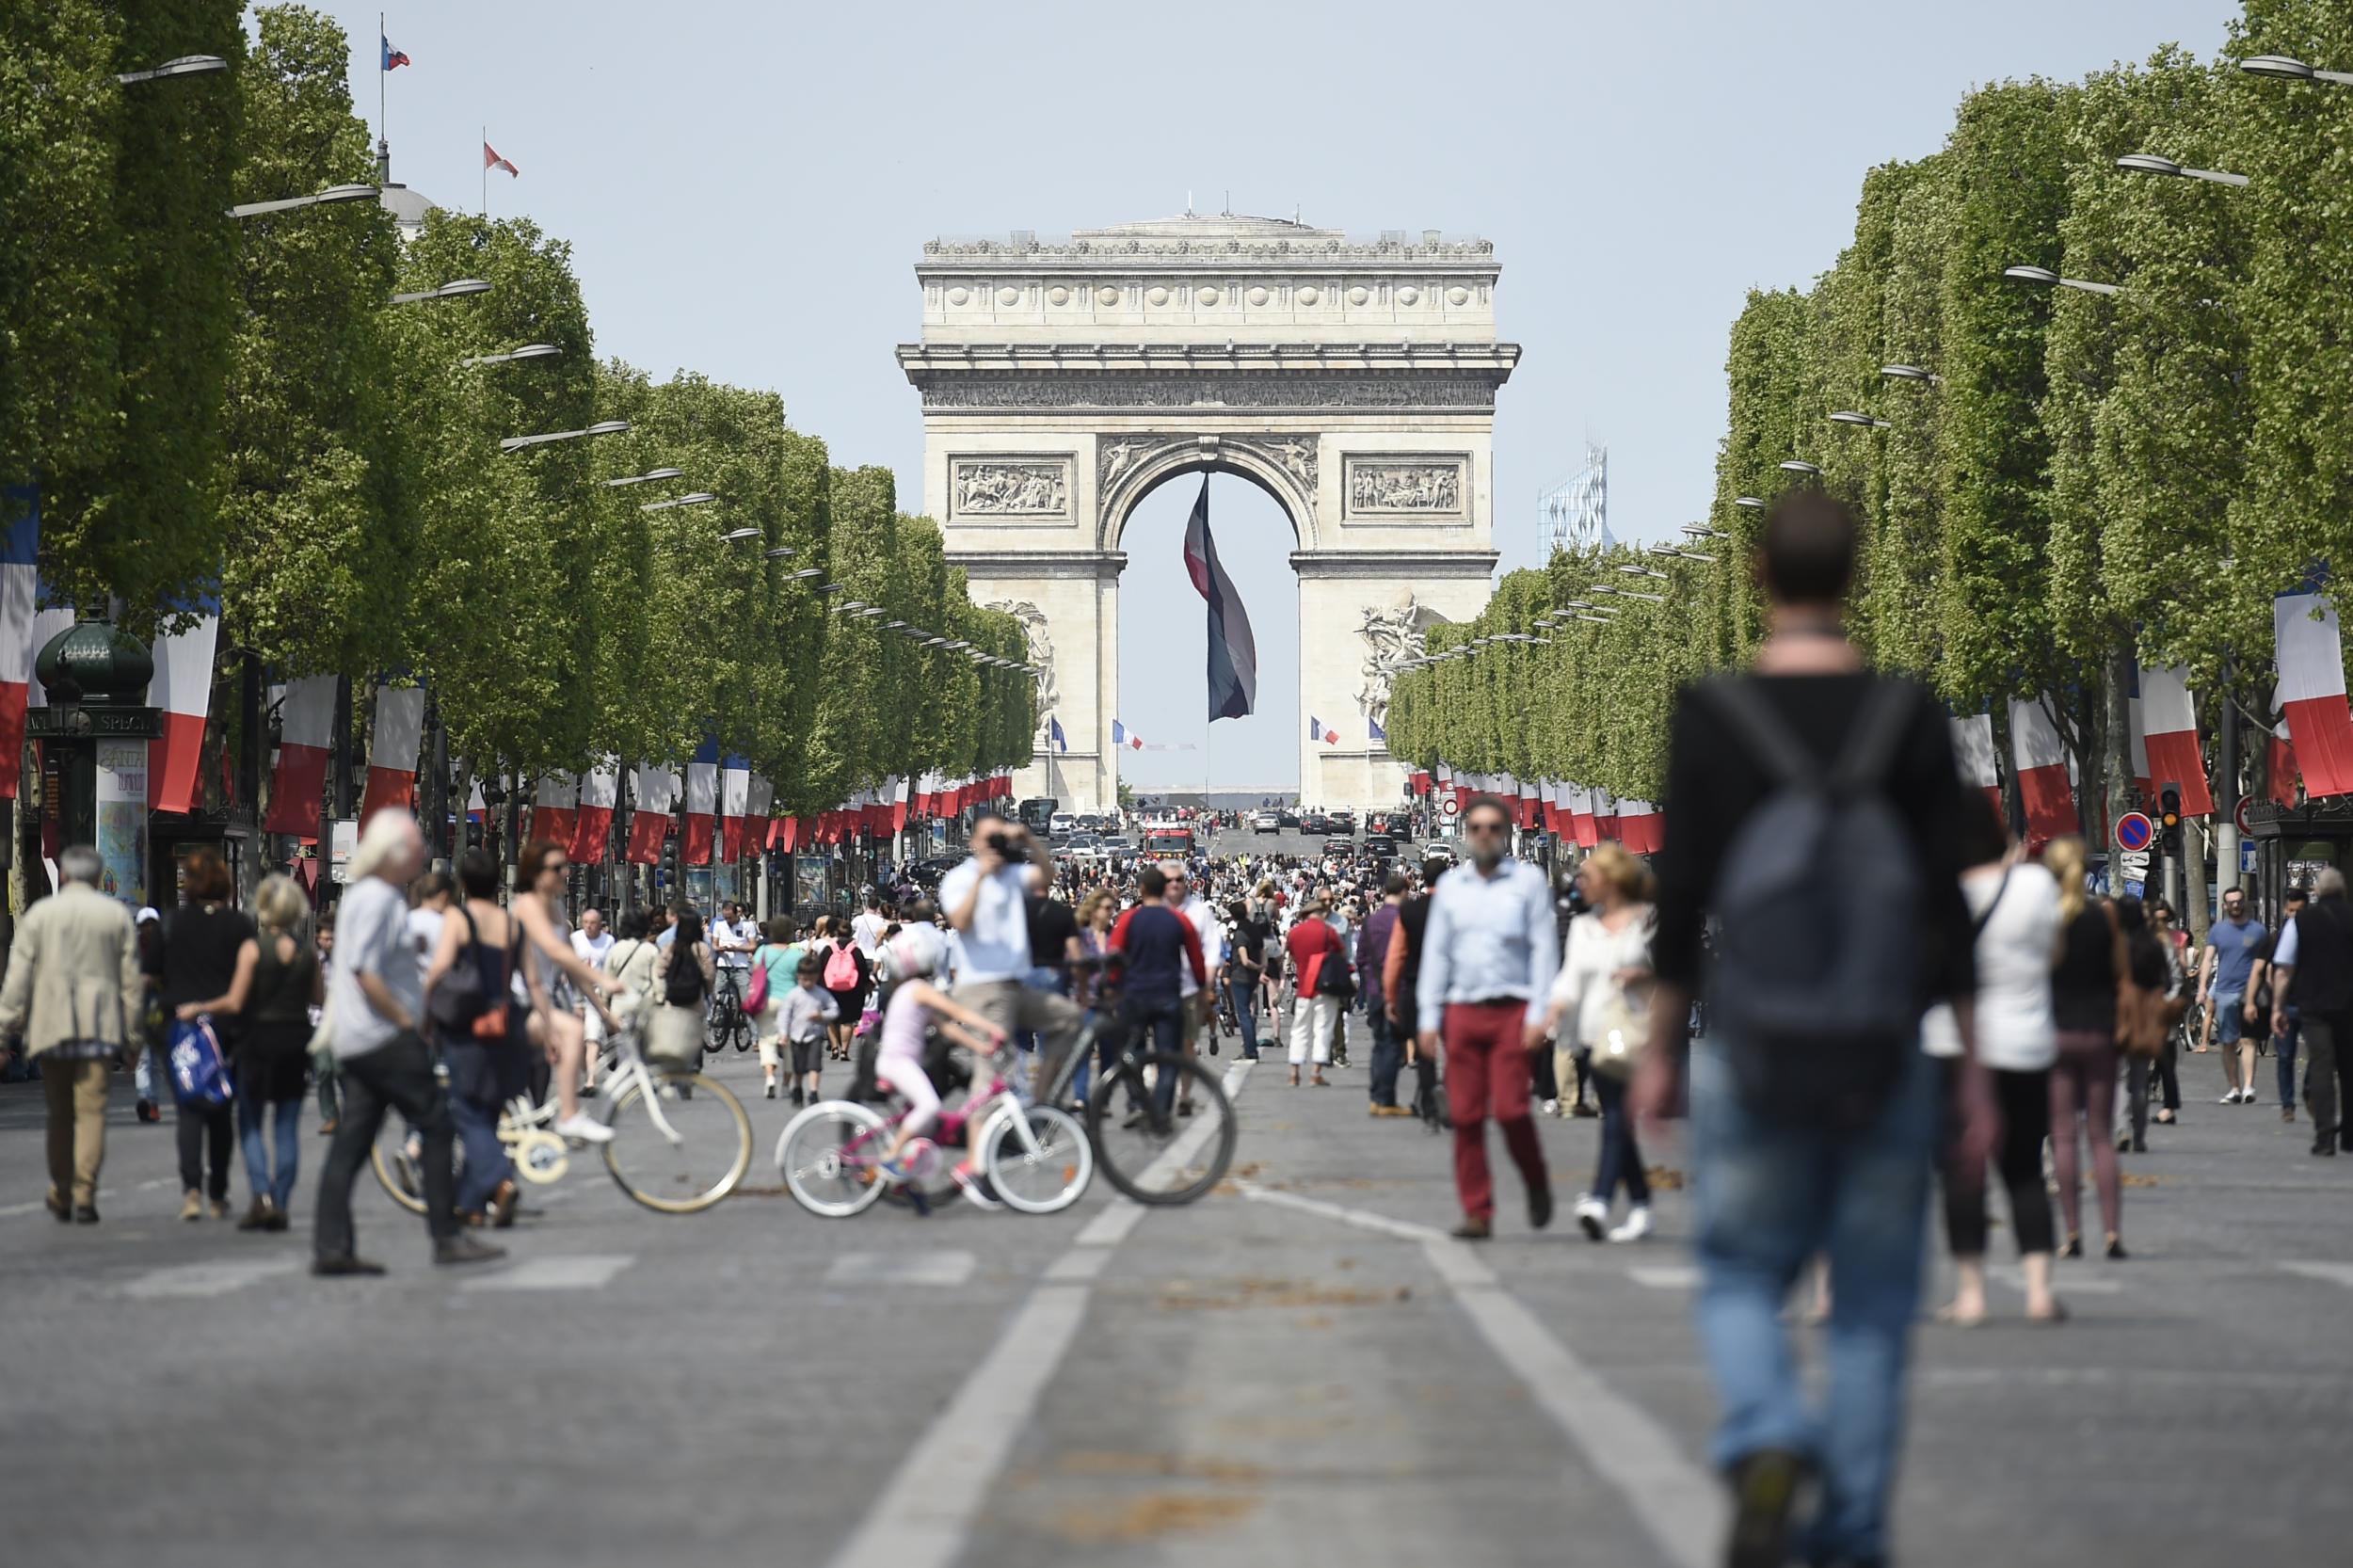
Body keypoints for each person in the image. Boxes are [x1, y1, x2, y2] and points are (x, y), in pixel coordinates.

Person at [1633, 490, 1985, 1568]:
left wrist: (1658, 1046)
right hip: (1884, 1047)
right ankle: (1852, 1538)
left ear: (1754, 573)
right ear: (1854, 572)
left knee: (1740, 1274)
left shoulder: (1711, 713)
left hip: (1756, 1043)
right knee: (1873, 1312)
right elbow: (1946, 900)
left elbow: (1680, 896)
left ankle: (1770, 1429)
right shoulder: (1907, 712)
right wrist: (1968, 1061)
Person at [312, 812, 502, 1275]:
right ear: (395, 853)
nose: (422, 855)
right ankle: (446, 1235)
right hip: (384, 1038)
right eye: (416, 847)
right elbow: (363, 969)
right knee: (437, 1126)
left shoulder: (362, 896)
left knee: (352, 1144)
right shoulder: (380, 900)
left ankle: (332, 1247)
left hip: (360, 1038)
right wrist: (404, 1020)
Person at [1931, 809, 2064, 1322]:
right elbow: (2053, 951)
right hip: (2025, 1042)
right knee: (2025, 1168)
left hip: (1952, 1045)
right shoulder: (2034, 885)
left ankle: (1971, 1294)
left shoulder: (1942, 892)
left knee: (1962, 1172)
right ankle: (2039, 1292)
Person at [1417, 795, 1559, 1240]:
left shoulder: (1529, 882)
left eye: (1493, 827)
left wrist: (1541, 1014)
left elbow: (1544, 952)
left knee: (1515, 1110)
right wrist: (1427, 1016)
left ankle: (1535, 1178)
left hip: (1513, 1011)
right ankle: (1478, 1210)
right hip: (1462, 1010)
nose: (1484, 835)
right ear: (1465, 832)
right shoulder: (1453, 890)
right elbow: (1436, 956)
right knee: (1466, 1114)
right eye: (1476, 827)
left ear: (1506, 832)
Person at [0, 844, 145, 1224]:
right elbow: (131, 984)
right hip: (98, 1029)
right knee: (92, 1113)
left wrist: (3, 1030)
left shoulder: (40, 915)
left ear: (63, 875)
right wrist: (133, 1038)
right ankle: (85, 1191)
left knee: (60, 1115)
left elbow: (17, 979)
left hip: (52, 1028)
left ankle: (61, 1190)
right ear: (98, 878)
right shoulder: (115, 916)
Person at [173, 872, 321, 1232]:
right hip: (296, 1041)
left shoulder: (253, 948)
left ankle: (262, 1196)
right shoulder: (307, 954)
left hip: (258, 1041)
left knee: (251, 1121)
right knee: (286, 1126)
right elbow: (320, 999)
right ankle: (281, 1201)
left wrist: (198, 1007)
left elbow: (235, 1000)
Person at [1545, 843, 1658, 1242]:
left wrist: (1640, 976)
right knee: (1616, 1117)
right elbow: (1571, 976)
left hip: (1630, 1032)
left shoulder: (1645, 922)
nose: (1581, 883)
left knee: (1615, 1115)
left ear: (1610, 882)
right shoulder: (1582, 927)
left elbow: (1666, 973)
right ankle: (1642, 1202)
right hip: (1594, 1034)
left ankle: (1599, 1199)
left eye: (1588, 877)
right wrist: (1553, 1007)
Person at [939, 815, 1086, 1092]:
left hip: (1014, 983)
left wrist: (1028, 840)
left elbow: (1047, 876)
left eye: (1000, 839)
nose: (995, 846)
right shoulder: (960, 878)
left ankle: (1041, 1100)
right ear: (974, 843)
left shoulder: (1011, 874)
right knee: (992, 1076)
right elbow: (959, 920)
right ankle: (981, 1130)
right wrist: (981, 877)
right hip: (982, 986)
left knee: (1069, 1019)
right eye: (989, 839)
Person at [423, 849, 528, 1229]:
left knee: (467, 1112)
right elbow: (531, 981)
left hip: (467, 1027)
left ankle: (502, 1181)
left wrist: (423, 1013)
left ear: (463, 884)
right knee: (486, 1113)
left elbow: (437, 970)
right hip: (506, 1024)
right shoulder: (513, 924)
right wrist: (548, 1024)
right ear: (499, 881)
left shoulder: (458, 917)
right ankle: (468, 1205)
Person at [872, 924, 1012, 1208]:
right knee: (930, 1107)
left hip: (900, 1061)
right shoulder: (919, 989)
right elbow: (957, 1013)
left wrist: (981, 1046)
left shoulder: (911, 990)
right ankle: (891, 1157)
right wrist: (992, 1028)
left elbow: (946, 1028)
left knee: (926, 1120)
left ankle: (909, 1176)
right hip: (897, 1062)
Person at [152, 847, 252, 1221]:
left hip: (180, 1027)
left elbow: (150, 973)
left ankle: (191, 1189)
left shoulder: (171, 924)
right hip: (226, 1027)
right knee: (221, 1111)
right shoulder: (240, 925)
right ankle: (218, 1193)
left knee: (189, 1110)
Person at [511, 842, 626, 1144]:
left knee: (567, 1043)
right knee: (573, 1031)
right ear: (536, 874)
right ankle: (569, 1116)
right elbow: (555, 951)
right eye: (556, 868)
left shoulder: (557, 908)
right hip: (515, 1002)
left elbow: (572, 966)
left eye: (565, 866)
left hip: (542, 1000)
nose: (565, 872)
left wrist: (603, 1011)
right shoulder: (525, 906)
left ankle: (552, 1112)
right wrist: (604, 977)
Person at [2264, 867, 2353, 1158]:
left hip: (2313, 1005)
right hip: (2348, 1005)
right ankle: (2350, 1135)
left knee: (2321, 1067)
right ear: (2343, 891)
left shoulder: (2300, 922)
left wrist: (2277, 1007)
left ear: (2317, 892)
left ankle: (2325, 1136)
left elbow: (2284, 970)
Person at [1107, 865, 1209, 1112]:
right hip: (1169, 994)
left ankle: (1138, 1101)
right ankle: (1162, 1109)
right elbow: (1197, 961)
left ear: (1141, 889)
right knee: (1168, 1056)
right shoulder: (1179, 919)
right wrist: (1202, 990)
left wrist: (1112, 987)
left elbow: (1113, 956)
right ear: (1164, 889)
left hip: (1135, 994)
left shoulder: (1128, 919)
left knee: (1133, 1052)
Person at [1383, 857, 1445, 1127]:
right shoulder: (1461, 909)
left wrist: (1391, 996)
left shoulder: (1409, 911)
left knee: (1424, 1050)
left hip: (1420, 985)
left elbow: (1396, 956)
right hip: (1455, 988)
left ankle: (1430, 1103)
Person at [2197, 886, 2267, 1104]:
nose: (2235, 905)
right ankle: (2234, 1088)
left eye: (2239, 901)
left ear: (2244, 902)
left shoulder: (2258, 930)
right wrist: (2202, 986)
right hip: (2224, 991)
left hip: (2250, 993)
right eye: (2231, 902)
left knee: (2248, 1040)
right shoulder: (2218, 930)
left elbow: (2266, 962)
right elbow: (2208, 959)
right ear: (2225, 906)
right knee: (2228, 1042)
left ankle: (2248, 1087)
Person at [2250, 886, 2309, 1124]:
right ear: (2286, 909)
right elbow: (2264, 969)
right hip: (2286, 1004)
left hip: (2309, 1004)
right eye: (2292, 910)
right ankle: (2287, 1104)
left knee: (2318, 1053)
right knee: (2285, 1057)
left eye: (2300, 911)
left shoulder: (2313, 934)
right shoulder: (2277, 936)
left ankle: (2309, 1090)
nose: (2295, 915)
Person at [1284, 894, 1344, 1089]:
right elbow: (1341, 954)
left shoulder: (1294, 933)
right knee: (1323, 1030)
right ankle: (1315, 1072)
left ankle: (1294, 1073)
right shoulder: (1329, 932)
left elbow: (1292, 954)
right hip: (1324, 986)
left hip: (1303, 987)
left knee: (1299, 1030)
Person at [1360, 873, 1408, 1114]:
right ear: (1403, 892)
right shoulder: (1403, 920)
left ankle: (1376, 1096)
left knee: (1379, 1043)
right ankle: (1385, 1099)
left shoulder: (1370, 922)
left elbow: (1360, 958)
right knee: (1392, 1046)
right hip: (1397, 989)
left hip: (1373, 988)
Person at [650, 910, 716, 1066]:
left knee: (674, 1031)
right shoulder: (702, 948)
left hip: (673, 997)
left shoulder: (670, 947)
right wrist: (708, 993)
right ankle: (695, 1062)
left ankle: (675, 1059)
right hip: (695, 998)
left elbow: (659, 970)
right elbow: (709, 974)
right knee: (695, 1031)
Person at [751, 918, 807, 1098]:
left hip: (766, 1000)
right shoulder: (796, 954)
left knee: (767, 1040)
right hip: (790, 1003)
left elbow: (755, 972)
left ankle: (769, 1078)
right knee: (790, 1044)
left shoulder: (763, 952)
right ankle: (786, 1083)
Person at [776, 956, 839, 1107]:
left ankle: (813, 1092)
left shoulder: (821, 994)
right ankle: (797, 1088)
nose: (807, 983)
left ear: (817, 977)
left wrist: (822, 1016)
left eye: (811, 979)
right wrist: (783, 1033)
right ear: (798, 977)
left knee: (814, 1065)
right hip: (796, 1036)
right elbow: (784, 1014)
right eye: (804, 979)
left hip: (815, 1035)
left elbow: (834, 1009)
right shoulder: (794, 994)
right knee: (798, 1067)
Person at [815, 916, 872, 1064]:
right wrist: (866, 985)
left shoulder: (829, 949)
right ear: (851, 933)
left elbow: (820, 968)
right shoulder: (855, 950)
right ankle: (844, 1050)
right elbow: (862, 970)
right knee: (847, 1020)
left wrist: (819, 986)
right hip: (851, 989)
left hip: (829, 987)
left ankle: (834, 1047)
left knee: (832, 1019)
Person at [1223, 900, 1265, 1064]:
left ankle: (1250, 1050)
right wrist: (1262, 967)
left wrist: (1255, 967)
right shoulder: (1254, 929)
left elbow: (1244, 959)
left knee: (1244, 1014)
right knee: (1250, 1011)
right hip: (1252, 977)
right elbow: (1262, 950)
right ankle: (1251, 1046)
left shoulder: (1240, 933)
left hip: (1241, 975)